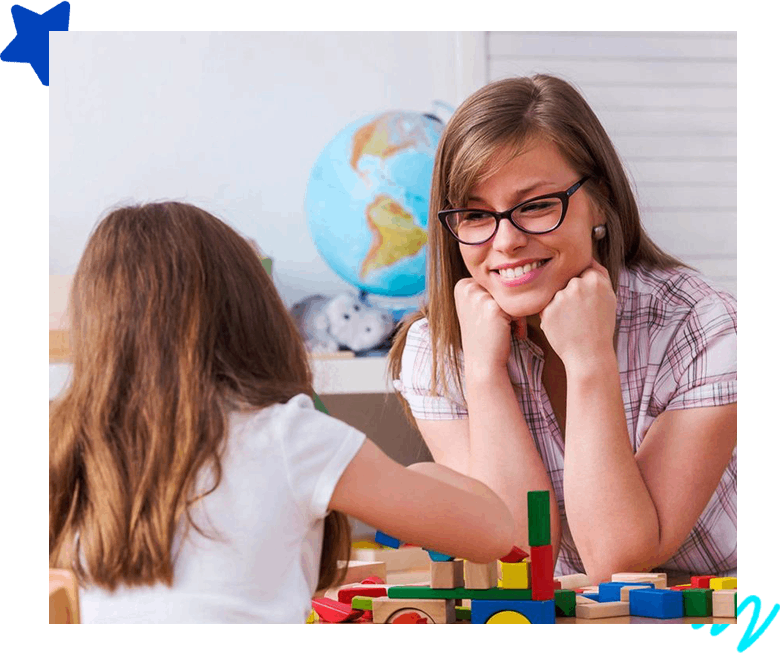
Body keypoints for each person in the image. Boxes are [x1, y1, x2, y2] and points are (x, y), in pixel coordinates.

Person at [49, 201, 521, 624]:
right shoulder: (287, 435)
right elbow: (497, 534)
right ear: (252, 313)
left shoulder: (63, 440)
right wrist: (417, 473)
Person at [389, 75, 737, 586]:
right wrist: (486, 375)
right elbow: (520, 555)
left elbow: (620, 561)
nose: (505, 241)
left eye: (535, 206)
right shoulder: (438, 351)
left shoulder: (702, 326)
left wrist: (590, 359)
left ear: (599, 202)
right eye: (475, 214)